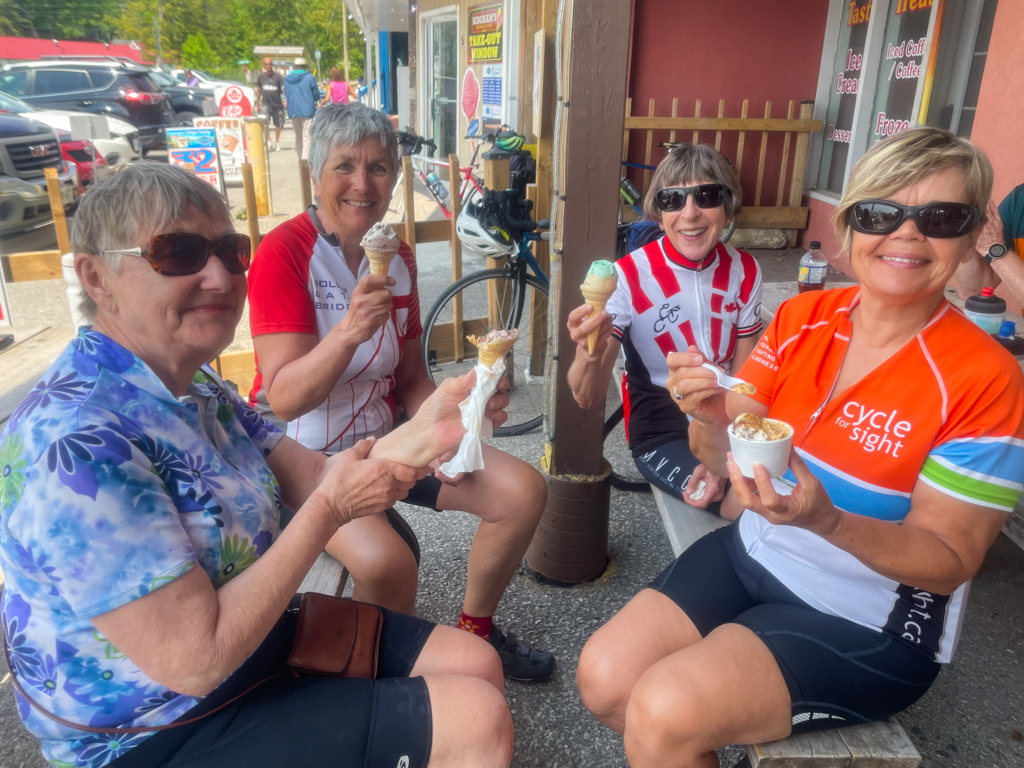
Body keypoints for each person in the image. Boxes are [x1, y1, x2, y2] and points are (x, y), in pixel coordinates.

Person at [0, 163, 514, 768]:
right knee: (475, 724)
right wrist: (328, 512)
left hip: (248, 642)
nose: (218, 275)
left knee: (477, 662)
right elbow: (196, 658)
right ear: (97, 277)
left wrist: (431, 430)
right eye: (179, 252)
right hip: (155, 724)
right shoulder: (75, 440)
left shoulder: (195, 387)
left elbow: (314, 474)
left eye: (229, 249)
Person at [575, 126, 1024, 767]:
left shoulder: (986, 376)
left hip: (869, 612)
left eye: (940, 217)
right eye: (881, 213)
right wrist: (703, 412)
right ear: (849, 226)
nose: (907, 233)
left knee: (664, 710)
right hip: (761, 545)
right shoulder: (801, 320)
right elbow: (718, 451)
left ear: (973, 231)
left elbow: (951, 558)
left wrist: (829, 520)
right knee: (605, 677)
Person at [246, 103, 555, 681]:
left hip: (389, 440)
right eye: (345, 166)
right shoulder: (284, 253)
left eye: (380, 167)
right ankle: (376, 688)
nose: (363, 183)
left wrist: (458, 417)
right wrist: (349, 331)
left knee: (522, 493)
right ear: (316, 175)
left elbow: (411, 381)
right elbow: (284, 397)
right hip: (307, 461)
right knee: (388, 562)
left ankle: (475, 632)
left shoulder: (399, 257)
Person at [567, 143, 762, 514]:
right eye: (672, 200)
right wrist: (589, 348)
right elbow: (586, 398)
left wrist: (725, 452)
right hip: (663, 428)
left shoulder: (745, 269)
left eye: (706, 196)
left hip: (726, 416)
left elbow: (745, 375)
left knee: (783, 481)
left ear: (727, 206)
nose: (690, 213)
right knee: (742, 500)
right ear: (659, 214)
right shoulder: (627, 276)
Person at [951, 182, 1024, 307]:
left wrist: (993, 247)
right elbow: (972, 289)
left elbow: (991, 245)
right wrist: (968, 230)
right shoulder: (1019, 198)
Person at [283, 59, 320, 160]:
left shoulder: (287, 79)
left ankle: (300, 159)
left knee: (298, 137)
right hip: (307, 110)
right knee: (307, 137)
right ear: (305, 67)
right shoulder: (310, 77)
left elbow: (286, 94)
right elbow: (316, 94)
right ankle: (305, 162)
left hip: (293, 110)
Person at [256, 58, 286, 151]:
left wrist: (286, 100)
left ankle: (277, 143)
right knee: (265, 123)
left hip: (277, 104)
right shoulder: (261, 77)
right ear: (264, 65)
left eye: (270, 64)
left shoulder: (278, 77)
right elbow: (259, 90)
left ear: (272, 65)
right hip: (265, 103)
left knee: (278, 124)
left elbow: (283, 89)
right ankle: (269, 141)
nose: (268, 66)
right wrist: (257, 102)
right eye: (266, 64)